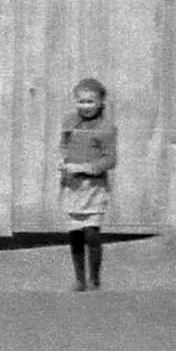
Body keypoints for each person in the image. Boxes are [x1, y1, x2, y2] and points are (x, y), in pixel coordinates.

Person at [59, 77, 117, 291]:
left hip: (94, 187)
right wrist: (63, 160)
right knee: (75, 233)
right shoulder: (69, 122)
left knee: (91, 232)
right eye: (81, 101)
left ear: (100, 103)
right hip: (72, 185)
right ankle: (79, 279)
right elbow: (64, 145)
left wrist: (86, 168)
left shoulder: (106, 128)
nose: (85, 106)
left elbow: (110, 160)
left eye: (90, 101)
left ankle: (95, 278)